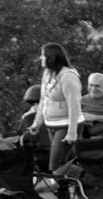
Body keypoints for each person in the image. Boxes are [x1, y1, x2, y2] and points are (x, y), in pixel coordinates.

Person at [31, 43, 84, 178]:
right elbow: (43, 99)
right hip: (51, 124)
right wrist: (37, 122)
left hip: (67, 125)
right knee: (63, 162)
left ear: (51, 57)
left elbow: (74, 105)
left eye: (43, 56)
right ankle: (67, 192)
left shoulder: (68, 77)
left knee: (55, 166)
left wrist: (72, 132)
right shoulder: (47, 73)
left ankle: (91, 179)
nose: (40, 58)